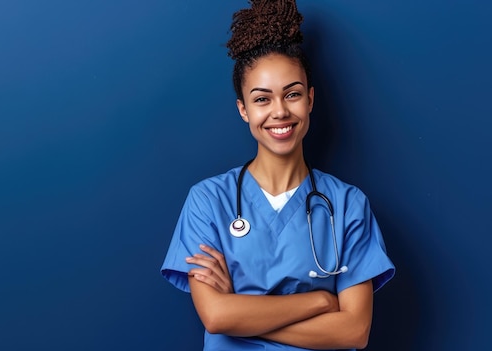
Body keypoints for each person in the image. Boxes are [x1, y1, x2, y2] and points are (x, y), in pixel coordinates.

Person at [160, 0, 395, 350]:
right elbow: (215, 317)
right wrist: (320, 302)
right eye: (262, 99)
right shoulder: (208, 201)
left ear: (310, 100)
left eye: (293, 94)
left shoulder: (347, 204)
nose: (280, 111)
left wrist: (241, 315)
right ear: (243, 109)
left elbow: (354, 331)